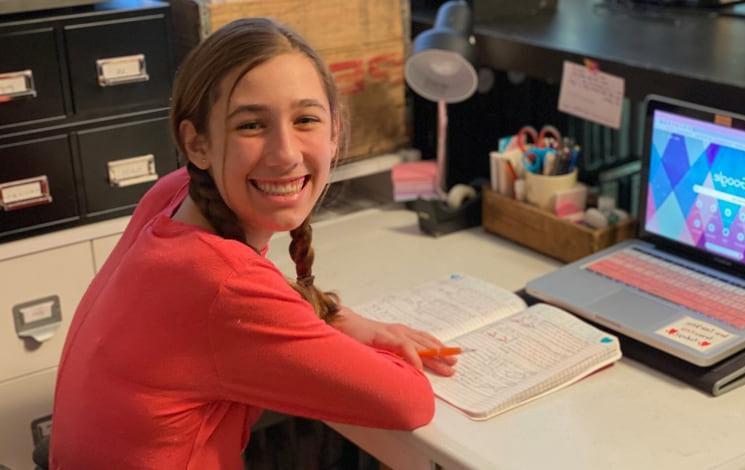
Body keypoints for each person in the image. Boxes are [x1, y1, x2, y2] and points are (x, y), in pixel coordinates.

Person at [50, 18, 456, 469]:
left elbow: (228, 293)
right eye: (251, 125)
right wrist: (367, 344)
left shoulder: (173, 195)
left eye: (305, 119)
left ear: (334, 130)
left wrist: (341, 319)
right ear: (197, 143)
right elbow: (408, 402)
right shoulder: (226, 287)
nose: (284, 153)